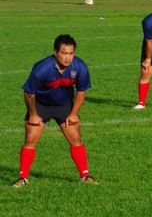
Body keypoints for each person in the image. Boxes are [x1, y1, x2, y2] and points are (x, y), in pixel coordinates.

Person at [14, 34, 95, 187]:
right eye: (64, 53)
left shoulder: (80, 67)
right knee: (30, 140)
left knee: (75, 139)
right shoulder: (42, 68)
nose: (68, 57)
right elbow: (28, 92)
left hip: (64, 106)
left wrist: (73, 113)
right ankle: (23, 178)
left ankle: (85, 175)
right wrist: (33, 114)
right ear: (55, 52)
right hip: (41, 105)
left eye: (71, 53)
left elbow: (81, 91)